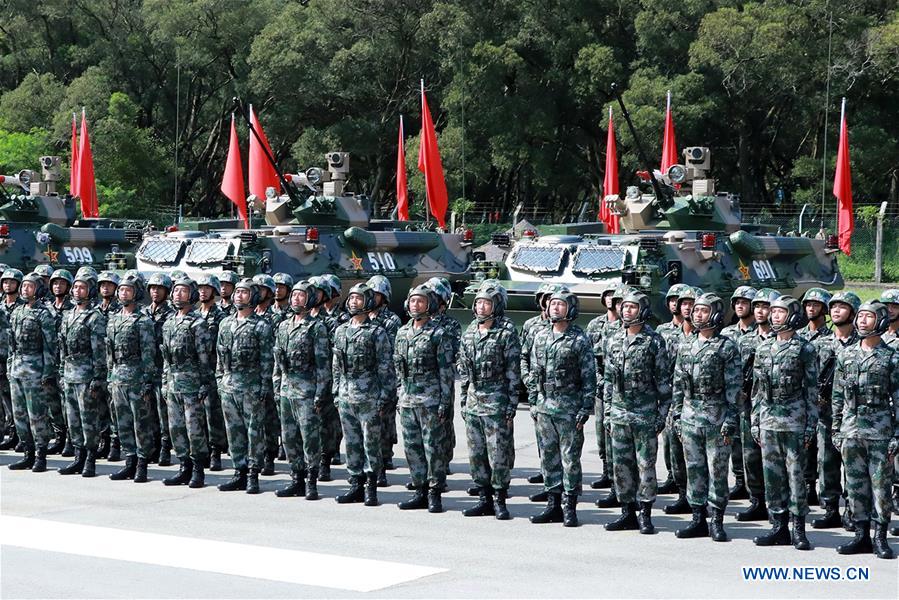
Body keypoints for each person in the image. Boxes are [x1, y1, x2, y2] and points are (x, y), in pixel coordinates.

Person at [671, 294, 741, 542]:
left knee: (718, 470)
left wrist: (731, 419)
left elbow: (734, 387)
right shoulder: (686, 345)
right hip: (690, 418)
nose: (698, 314)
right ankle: (697, 518)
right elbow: (678, 384)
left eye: (704, 310)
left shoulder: (727, 347)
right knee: (694, 469)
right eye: (696, 310)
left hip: (716, 418)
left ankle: (717, 520)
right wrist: (676, 415)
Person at [832, 301, 898, 559]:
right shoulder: (846, 355)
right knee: (855, 484)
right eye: (860, 317)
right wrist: (836, 428)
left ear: (880, 321)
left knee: (881, 486)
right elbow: (837, 395)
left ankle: (880, 536)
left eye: (868, 317)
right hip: (851, 431)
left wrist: (897, 434)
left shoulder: (892, 357)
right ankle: (860, 535)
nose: (861, 321)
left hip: (880, 431)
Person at [751, 296, 817, 551]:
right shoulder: (763, 348)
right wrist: (755, 420)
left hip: (795, 421)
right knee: (772, 476)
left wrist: (811, 424)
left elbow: (811, 391)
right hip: (768, 421)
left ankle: (798, 528)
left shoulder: (804, 349)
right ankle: (778, 525)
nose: (775, 316)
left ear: (792, 315)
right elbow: (757, 390)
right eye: (774, 312)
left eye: (781, 312)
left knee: (796, 476)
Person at [603, 291, 671, 534]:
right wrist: (608, 412)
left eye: (633, 307)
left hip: (645, 414)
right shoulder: (613, 339)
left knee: (645, 466)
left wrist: (661, 415)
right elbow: (609, 381)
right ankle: (627, 512)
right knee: (621, 465)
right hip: (620, 414)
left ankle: (646, 513)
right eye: (625, 307)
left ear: (642, 310)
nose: (627, 311)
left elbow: (664, 381)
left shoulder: (653, 341)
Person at [527, 289, 595, 527]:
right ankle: (553, 504)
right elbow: (534, 371)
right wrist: (535, 400)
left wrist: (586, 407)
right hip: (545, 406)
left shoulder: (579, 338)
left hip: (569, 408)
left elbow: (588, 376)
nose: (555, 308)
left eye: (561, 304)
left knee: (570, 459)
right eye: (553, 304)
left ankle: (570, 507)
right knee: (548, 457)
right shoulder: (541, 336)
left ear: (570, 309)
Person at [458, 284, 521, 520]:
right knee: (477, 453)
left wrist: (511, 404)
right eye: (478, 302)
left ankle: (499, 498)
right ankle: (483, 497)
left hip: (497, 402)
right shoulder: (471, 331)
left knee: (499, 454)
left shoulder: (506, 332)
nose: (481, 306)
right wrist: (464, 401)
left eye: (486, 302)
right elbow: (464, 371)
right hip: (475, 402)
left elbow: (513, 372)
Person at [332, 283, 395, 506]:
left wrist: (385, 397)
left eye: (358, 299)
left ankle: (371, 486)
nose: (353, 302)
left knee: (371, 443)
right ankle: (355, 484)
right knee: (352, 442)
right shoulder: (340, 331)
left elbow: (386, 368)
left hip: (370, 397)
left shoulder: (377, 333)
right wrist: (337, 394)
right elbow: (337, 367)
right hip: (346, 397)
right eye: (351, 298)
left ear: (368, 302)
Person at [394, 286, 455, 513]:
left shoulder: (438, 334)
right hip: (409, 400)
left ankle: (434, 493)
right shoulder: (402, 333)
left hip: (430, 400)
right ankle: (419, 490)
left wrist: (444, 402)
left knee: (433, 448)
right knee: (412, 447)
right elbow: (398, 368)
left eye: (420, 301)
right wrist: (400, 394)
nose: (415, 305)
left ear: (428, 305)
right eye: (412, 301)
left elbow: (446, 372)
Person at [273, 280, 331, 501]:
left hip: (307, 390)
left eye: (301, 295)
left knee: (309, 437)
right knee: (289, 437)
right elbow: (278, 364)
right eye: (294, 295)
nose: (296, 299)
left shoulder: (316, 328)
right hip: (287, 390)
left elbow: (323, 365)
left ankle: (311, 480)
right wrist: (277, 387)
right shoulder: (283, 326)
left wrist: (320, 393)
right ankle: (296, 478)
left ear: (310, 300)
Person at [216, 278, 274, 494]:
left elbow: (267, 360)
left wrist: (263, 388)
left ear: (253, 297)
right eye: (237, 292)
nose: (239, 295)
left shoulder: (261, 326)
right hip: (229, 387)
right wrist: (220, 381)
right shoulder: (225, 324)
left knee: (254, 432)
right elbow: (220, 357)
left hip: (251, 388)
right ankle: (238, 470)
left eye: (244, 292)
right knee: (234, 431)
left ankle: (253, 473)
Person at [809, 291, 860, 530]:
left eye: (843, 306)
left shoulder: (861, 344)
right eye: (834, 306)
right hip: (825, 412)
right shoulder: (821, 343)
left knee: (852, 464)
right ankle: (831, 508)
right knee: (826, 461)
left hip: (854, 415)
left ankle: (852, 510)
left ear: (853, 311)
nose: (837, 310)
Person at [734, 287, 780, 521]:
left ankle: (778, 505)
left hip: (774, 407)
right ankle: (757, 500)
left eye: (766, 307)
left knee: (774, 459)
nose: (761, 311)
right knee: (750, 455)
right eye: (758, 306)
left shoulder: (782, 339)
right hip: (747, 405)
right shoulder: (745, 339)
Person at [106, 273, 156, 483]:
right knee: (123, 423)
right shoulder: (114, 319)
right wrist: (110, 378)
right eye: (121, 289)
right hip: (118, 379)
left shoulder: (143, 321)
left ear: (136, 294)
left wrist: (147, 382)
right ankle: (130, 461)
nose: (123, 293)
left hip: (136, 379)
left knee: (140, 423)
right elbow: (110, 352)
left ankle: (142, 464)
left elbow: (148, 353)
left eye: (128, 290)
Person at [57, 272, 108, 478]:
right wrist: (61, 372)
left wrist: (97, 378)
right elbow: (62, 347)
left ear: (90, 291)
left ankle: (90, 460)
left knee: (89, 421)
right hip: (69, 375)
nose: (78, 291)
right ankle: (78, 457)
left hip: (86, 376)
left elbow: (99, 351)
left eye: (82, 288)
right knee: (73, 420)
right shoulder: (68, 315)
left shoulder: (94, 317)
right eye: (76, 287)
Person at [7, 272, 57, 472]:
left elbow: (50, 346)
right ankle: (27, 453)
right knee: (20, 415)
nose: (25, 289)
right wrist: (11, 366)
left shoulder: (43, 314)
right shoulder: (17, 312)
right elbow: (12, 344)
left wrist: (47, 372)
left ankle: (40, 455)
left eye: (30, 286)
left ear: (38, 289)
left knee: (37, 415)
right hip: (17, 370)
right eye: (24, 286)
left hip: (35, 370)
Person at [720, 285, 757, 500]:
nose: (740, 306)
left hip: (752, 397)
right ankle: (740, 480)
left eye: (745, 302)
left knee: (752, 446)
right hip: (732, 397)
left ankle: (754, 488)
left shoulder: (762, 333)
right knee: (733, 441)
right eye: (737, 302)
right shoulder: (727, 332)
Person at [585, 282, 622, 491]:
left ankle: (619, 476)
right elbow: (589, 357)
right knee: (601, 432)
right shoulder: (595, 325)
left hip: (618, 389)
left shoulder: (624, 326)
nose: (610, 300)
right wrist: (597, 381)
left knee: (616, 434)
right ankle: (606, 471)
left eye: (615, 297)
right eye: (608, 296)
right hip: (600, 388)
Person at [366, 275, 401, 485]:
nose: (372, 298)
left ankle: (385, 457)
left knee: (385, 421)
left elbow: (391, 350)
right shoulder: (359, 318)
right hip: (365, 379)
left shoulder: (391, 321)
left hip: (385, 376)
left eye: (376, 295)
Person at [196, 274, 229, 472]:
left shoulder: (221, 317)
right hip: (197, 371)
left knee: (214, 413)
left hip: (214, 369)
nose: (203, 291)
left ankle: (216, 451)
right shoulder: (194, 315)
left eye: (207, 288)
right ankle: (202, 451)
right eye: (200, 288)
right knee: (198, 414)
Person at [143, 272, 175, 466]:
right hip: (147, 368)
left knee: (164, 412)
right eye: (153, 288)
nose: (155, 292)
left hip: (163, 367)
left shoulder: (171, 315)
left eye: (159, 289)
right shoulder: (144, 313)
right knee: (148, 411)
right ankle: (152, 446)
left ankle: (165, 447)